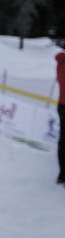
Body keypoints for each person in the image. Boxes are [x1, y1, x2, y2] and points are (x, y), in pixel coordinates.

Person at [56, 52, 65, 185]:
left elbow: (59, 55)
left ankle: (62, 175)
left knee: (63, 141)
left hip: (62, 106)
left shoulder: (60, 63)